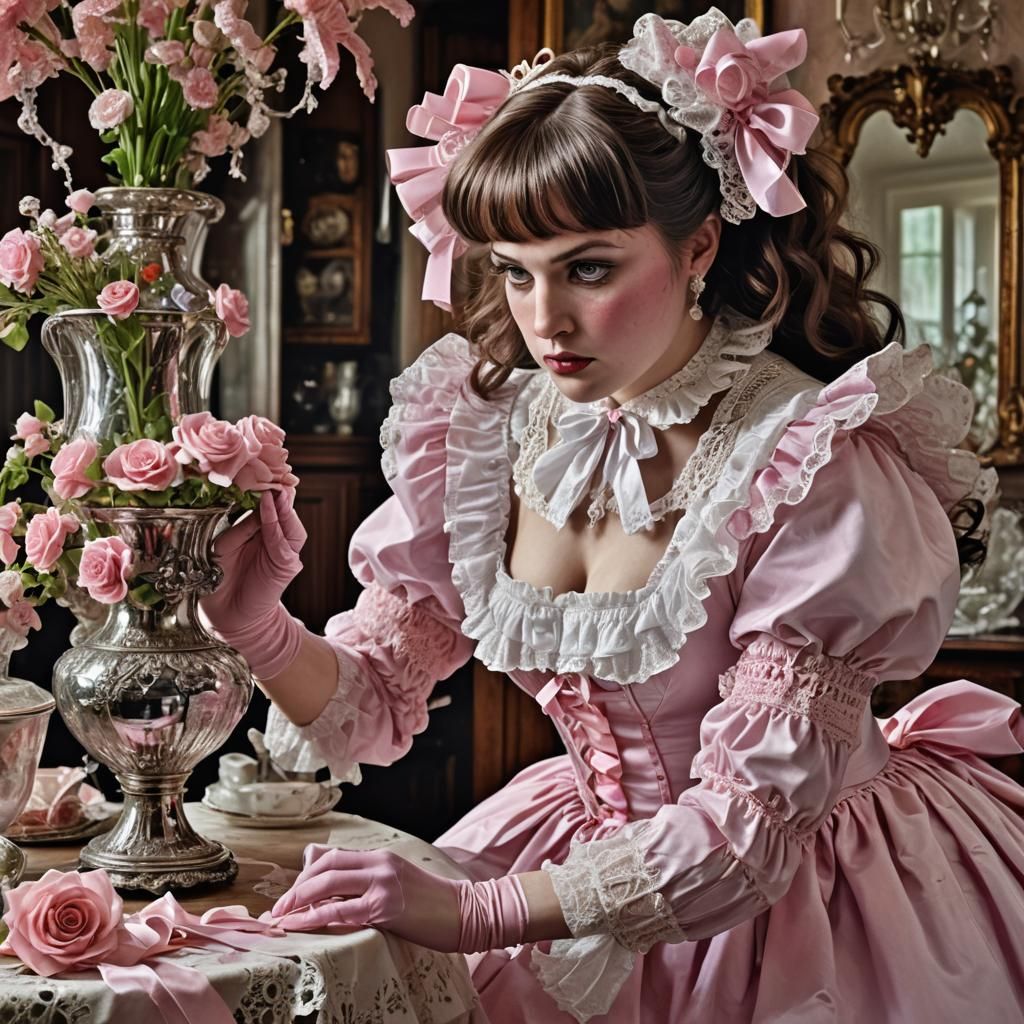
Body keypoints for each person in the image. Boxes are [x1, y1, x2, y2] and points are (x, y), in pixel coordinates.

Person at [201, 9, 1024, 1022]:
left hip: (806, 896)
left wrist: (472, 907)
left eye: (588, 267)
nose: (543, 319)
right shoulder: (487, 436)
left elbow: (737, 835)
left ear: (699, 246)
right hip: (575, 849)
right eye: (514, 269)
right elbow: (371, 696)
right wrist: (253, 625)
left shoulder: (811, 463)